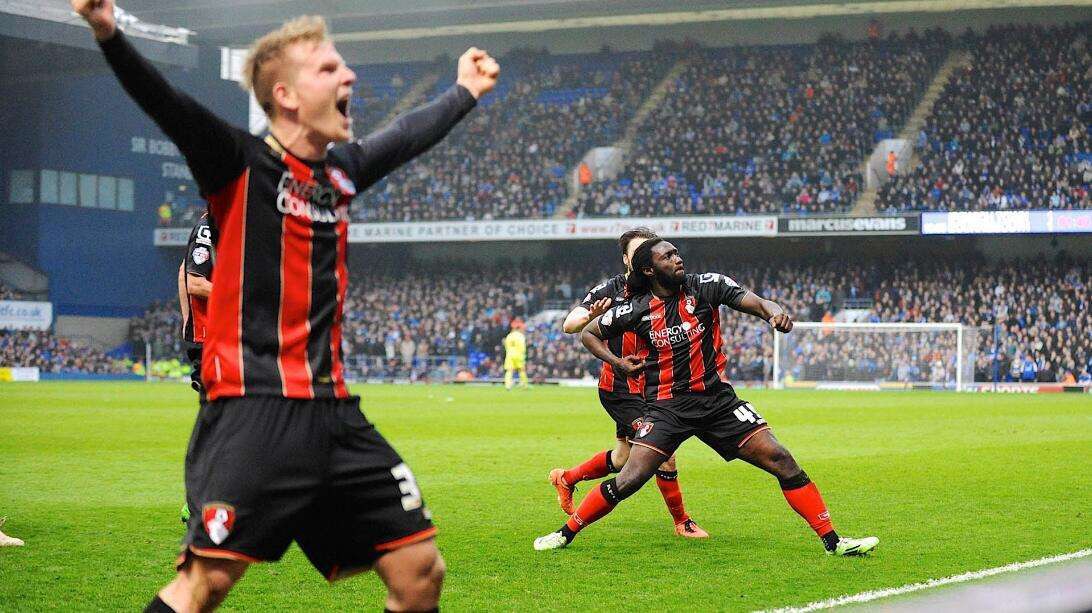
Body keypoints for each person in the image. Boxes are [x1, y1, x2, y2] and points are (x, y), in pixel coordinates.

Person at [71, 1, 498, 610]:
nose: (349, 76)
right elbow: (168, 104)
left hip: (332, 409)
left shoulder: (341, 173)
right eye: (329, 69)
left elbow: (406, 136)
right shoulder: (239, 163)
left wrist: (464, 91)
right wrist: (108, 32)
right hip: (255, 407)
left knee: (419, 571)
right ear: (286, 95)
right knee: (206, 584)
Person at [534, 239, 878, 556]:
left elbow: (757, 301)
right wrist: (618, 363)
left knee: (781, 459)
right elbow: (589, 333)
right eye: (667, 256)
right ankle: (565, 534)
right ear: (649, 270)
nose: (677, 258)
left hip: (717, 402)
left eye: (676, 252)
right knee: (629, 479)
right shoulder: (635, 308)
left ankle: (833, 542)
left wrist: (773, 313)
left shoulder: (707, 285)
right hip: (667, 408)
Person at [549, 228, 707, 538]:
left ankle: (566, 478)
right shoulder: (610, 290)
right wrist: (591, 317)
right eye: (637, 253)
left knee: (623, 458)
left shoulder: (666, 288)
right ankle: (682, 522)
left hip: (653, 386)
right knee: (663, 452)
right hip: (621, 388)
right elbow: (570, 325)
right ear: (626, 259)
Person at [503, 319, 528, 390]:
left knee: (509, 370)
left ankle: (507, 385)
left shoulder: (509, 336)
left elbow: (506, 346)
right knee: (521, 370)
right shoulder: (520, 336)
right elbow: (522, 347)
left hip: (510, 354)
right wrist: (523, 355)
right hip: (519, 355)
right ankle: (524, 385)